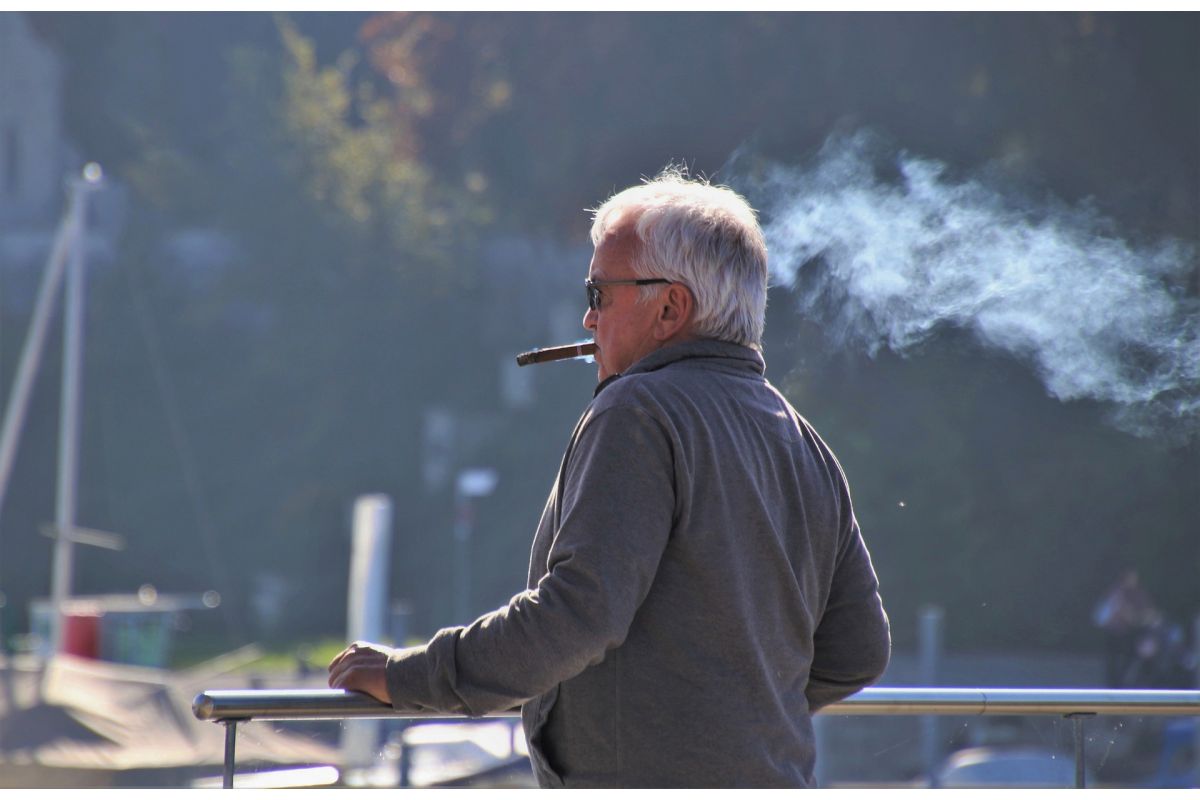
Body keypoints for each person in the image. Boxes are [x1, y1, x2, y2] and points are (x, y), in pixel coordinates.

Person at [328, 167, 891, 788]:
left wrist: (409, 676)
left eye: (599, 294)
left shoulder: (637, 410)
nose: (588, 320)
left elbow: (575, 616)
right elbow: (859, 650)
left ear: (670, 308)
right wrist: (736, 717)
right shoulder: (800, 436)